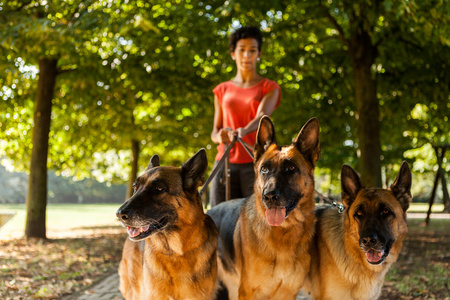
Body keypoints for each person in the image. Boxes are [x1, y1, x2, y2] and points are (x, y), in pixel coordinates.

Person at [209, 26, 281, 207]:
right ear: (233, 54)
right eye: (242, 50)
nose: (247, 56)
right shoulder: (222, 90)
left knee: (254, 222)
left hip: (254, 163)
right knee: (218, 218)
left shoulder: (269, 87)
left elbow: (262, 116)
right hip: (224, 164)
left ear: (259, 54)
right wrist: (221, 136)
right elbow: (214, 132)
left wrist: (244, 130)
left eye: (252, 51)